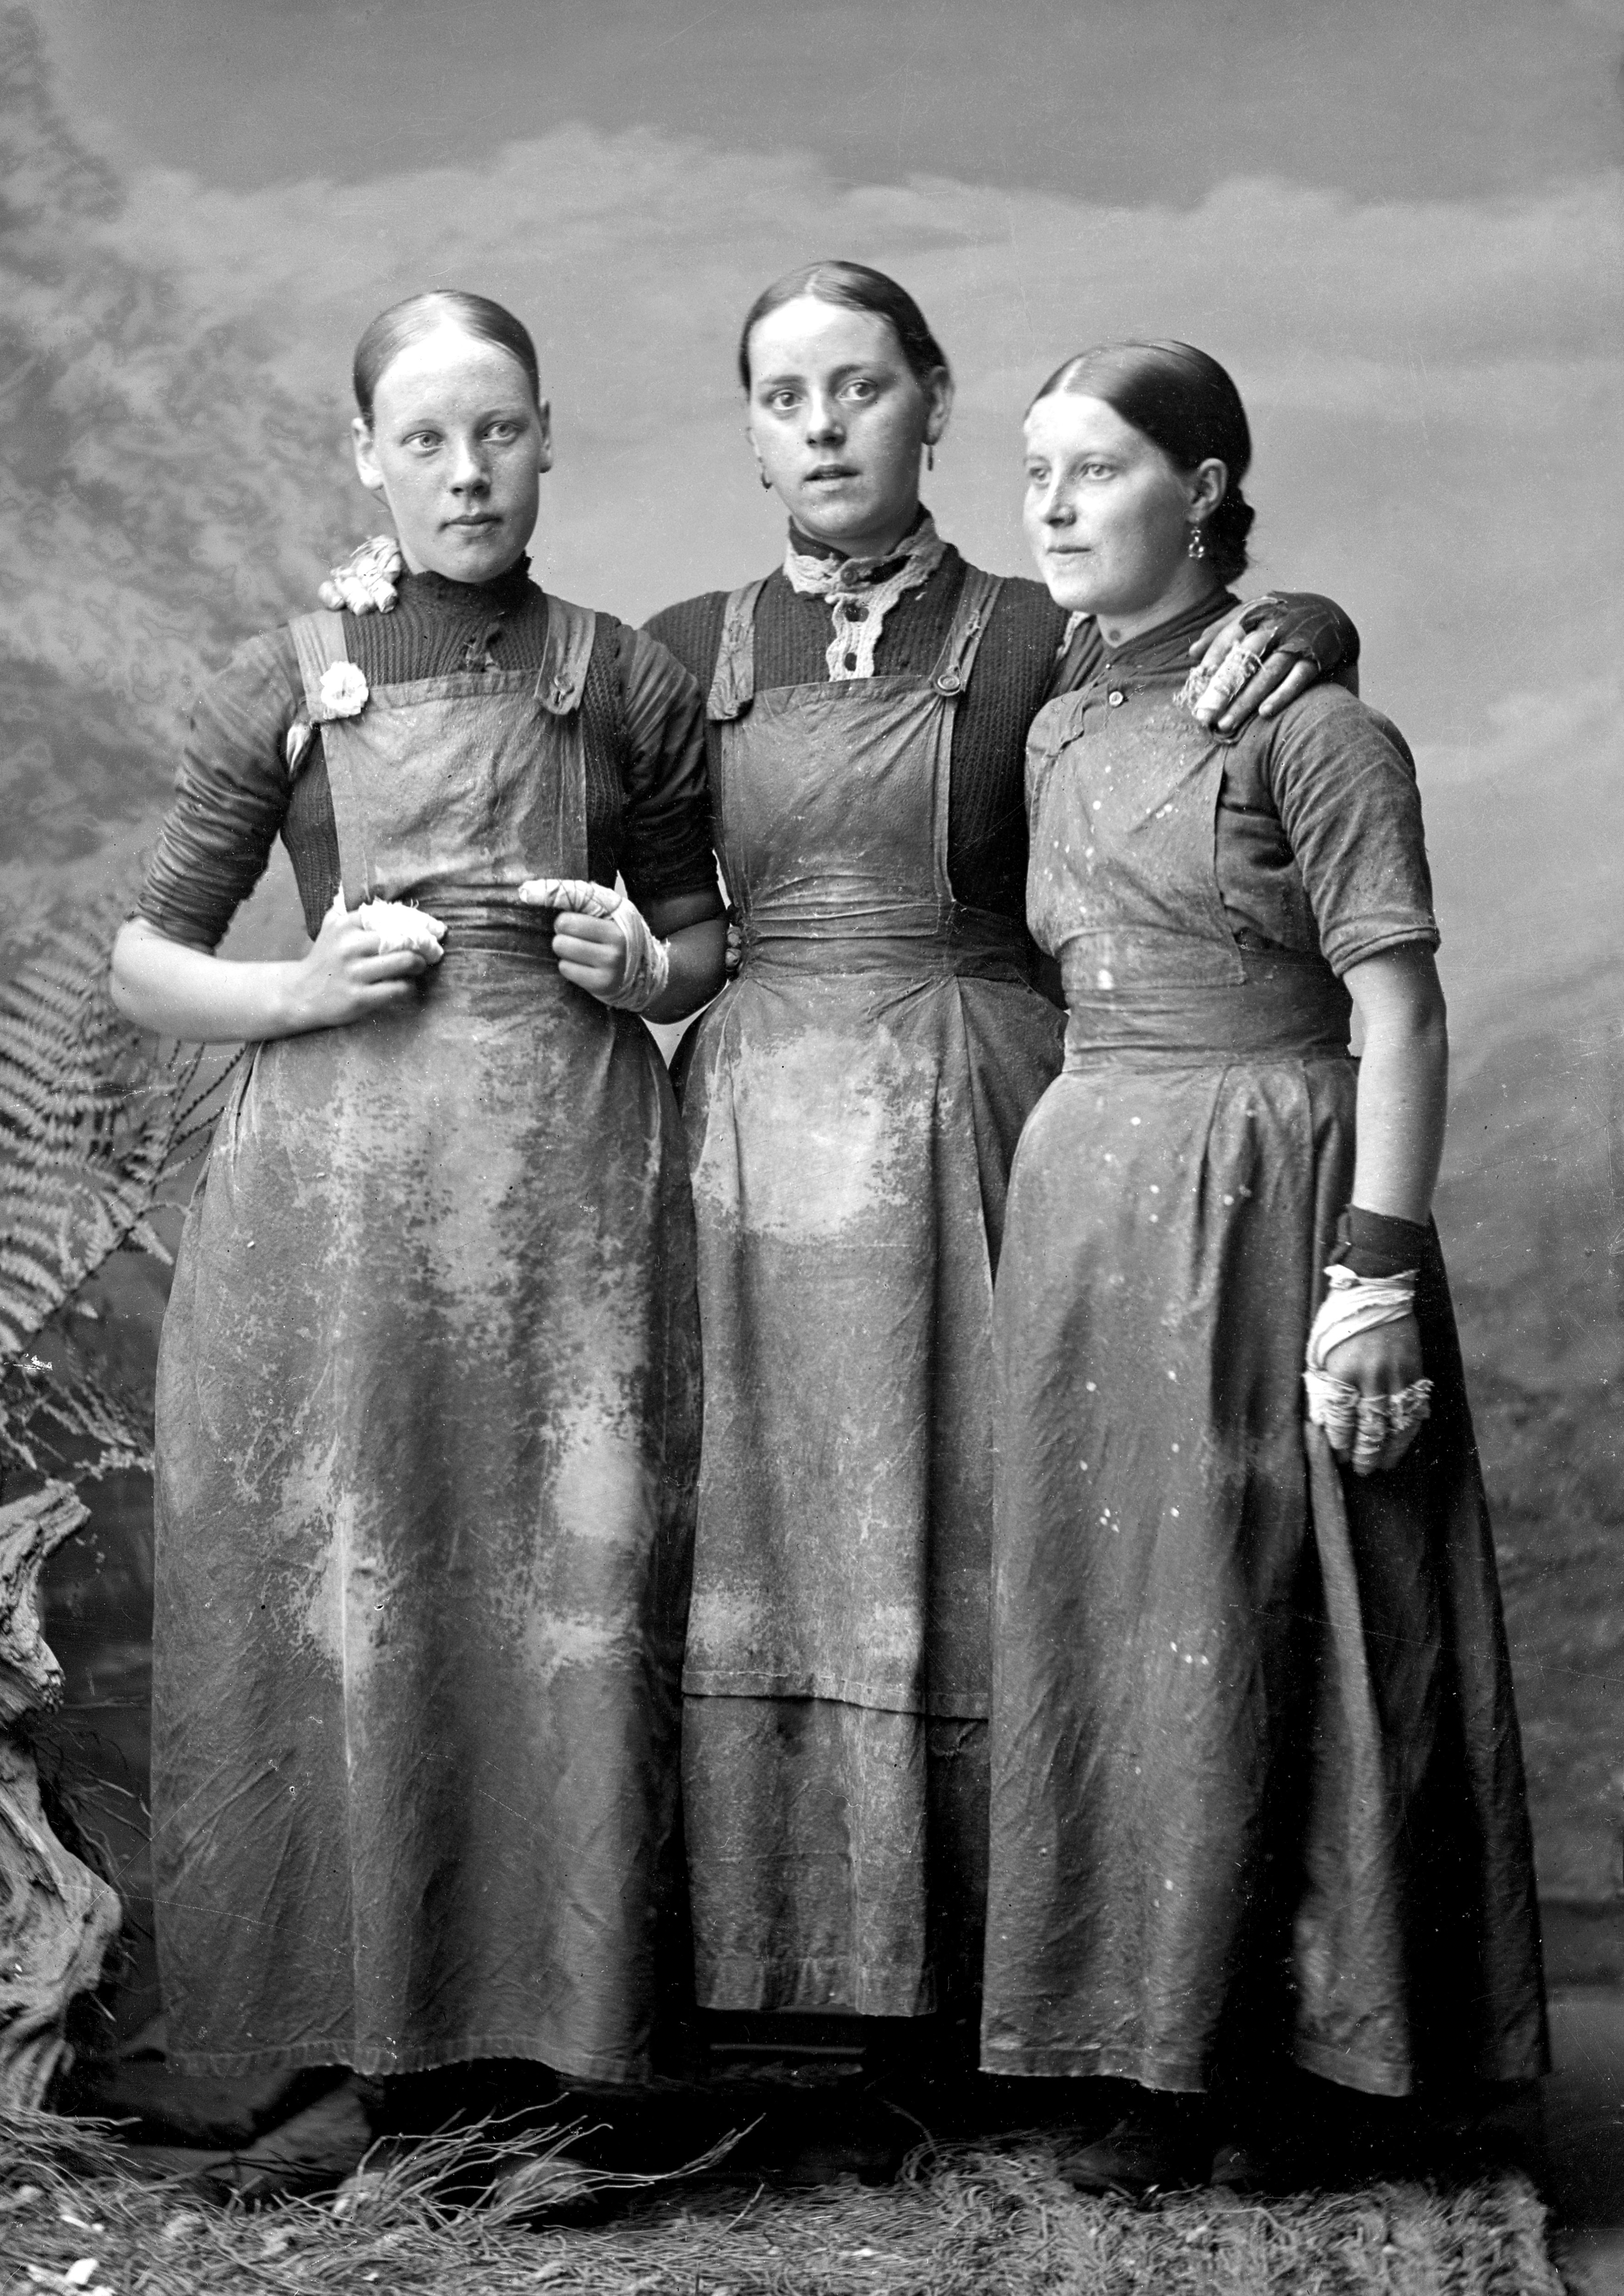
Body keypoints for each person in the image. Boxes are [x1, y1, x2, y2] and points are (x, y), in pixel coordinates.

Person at [321, 264, 1360, 2139]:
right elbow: (612, 884)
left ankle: (1000, 2001)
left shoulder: (1042, 627)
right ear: (748, 428)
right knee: (760, 1543)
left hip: (985, 1126)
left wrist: (1307, 618)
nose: (822, 426)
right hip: (744, 1155)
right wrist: (631, 964)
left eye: (860, 387)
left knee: (994, 1525)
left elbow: (1202, 665)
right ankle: (759, 1985)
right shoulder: (673, 649)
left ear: (931, 401)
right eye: (784, 395)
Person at [111, 290, 726, 2106]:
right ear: (365, 456)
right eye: (431, 437)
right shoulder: (291, 673)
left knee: (567, 1606)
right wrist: (300, 988)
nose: (471, 469)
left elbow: (700, 938)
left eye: (504, 431)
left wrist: (643, 962)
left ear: (548, 439)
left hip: (573, 1224)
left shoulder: (626, 675)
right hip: (340, 1215)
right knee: (356, 1598)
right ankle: (365, 2047)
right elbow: (150, 960)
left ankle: (574, 2051)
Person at [981, 340, 1548, 2191]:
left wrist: (1372, 1270)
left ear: (1208, 486)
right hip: (1089, 1202)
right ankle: (1143, 2045)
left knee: (1275, 1609)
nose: (1054, 507)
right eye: (1036, 471)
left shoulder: (1315, 727)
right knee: (1124, 1615)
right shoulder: (1060, 717)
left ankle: (1303, 2062)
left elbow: (1400, 1009)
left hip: (1275, 1195)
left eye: (1099, 470)